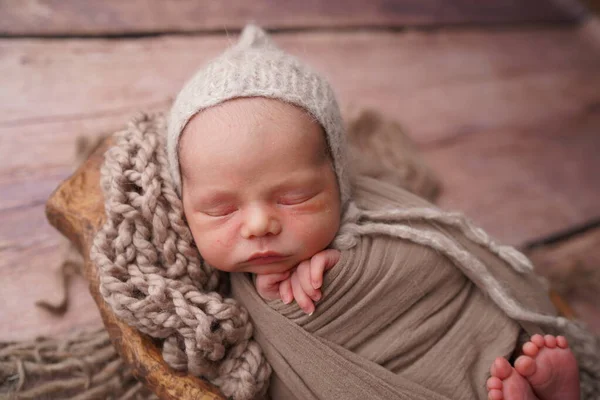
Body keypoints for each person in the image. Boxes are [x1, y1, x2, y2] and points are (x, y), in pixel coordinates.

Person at [166, 24, 581, 400]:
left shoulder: (383, 213)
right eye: (220, 209)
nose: (259, 225)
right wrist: (277, 298)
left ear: (339, 181)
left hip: (452, 339)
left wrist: (350, 266)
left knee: (495, 357)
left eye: (293, 197)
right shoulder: (206, 301)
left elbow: (438, 261)